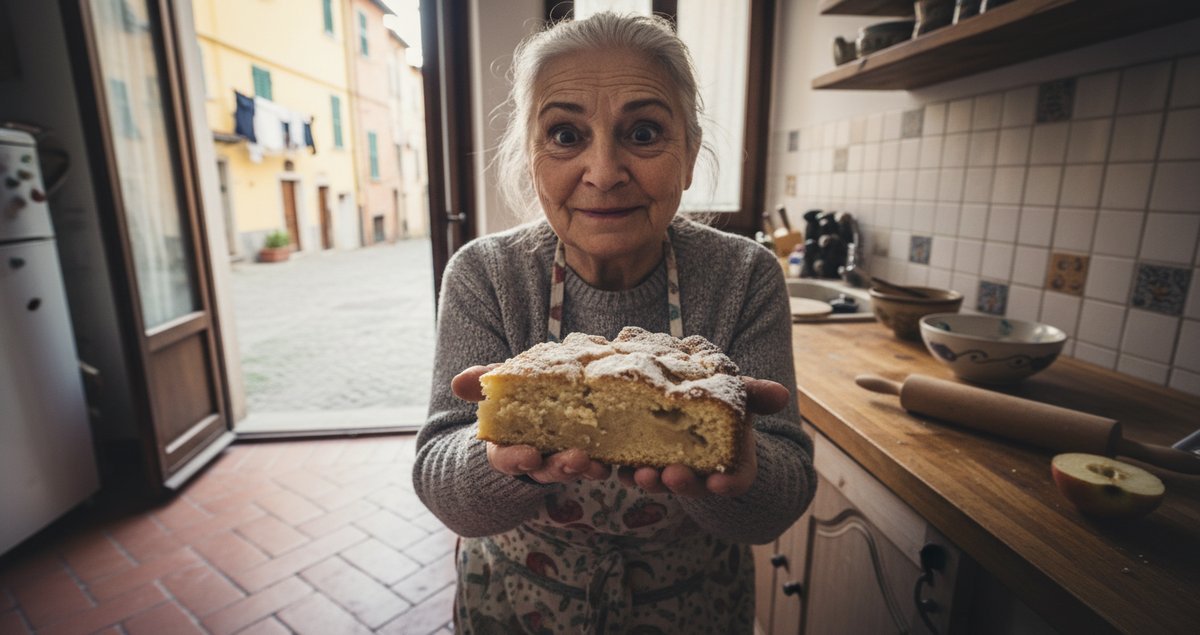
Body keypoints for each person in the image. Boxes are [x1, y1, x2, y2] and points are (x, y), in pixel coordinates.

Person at [412, 12, 815, 634]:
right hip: (520, 603)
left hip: (692, 605)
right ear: (530, 157)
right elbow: (442, 485)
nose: (603, 172)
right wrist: (500, 456)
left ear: (689, 155)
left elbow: (777, 507)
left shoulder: (744, 274)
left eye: (644, 132)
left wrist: (737, 463)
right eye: (565, 135)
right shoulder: (485, 274)